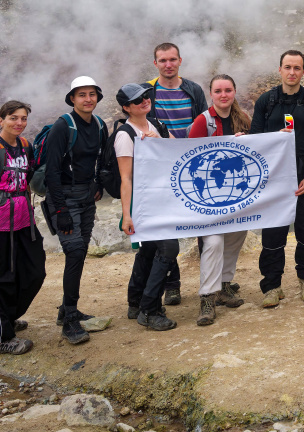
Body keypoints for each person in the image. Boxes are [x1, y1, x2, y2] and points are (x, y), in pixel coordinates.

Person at [250, 50, 304, 307]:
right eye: (288, 67)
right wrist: (276, 137)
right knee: (273, 230)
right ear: (280, 69)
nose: (292, 72)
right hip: (273, 177)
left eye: (297, 68)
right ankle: (272, 285)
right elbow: (255, 140)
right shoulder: (266, 101)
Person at [45, 76, 108, 345]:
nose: (87, 99)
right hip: (65, 199)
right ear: (72, 98)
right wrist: (60, 210)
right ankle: (70, 319)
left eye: (92, 94)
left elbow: (102, 159)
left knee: (79, 253)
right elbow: (51, 171)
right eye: (81, 95)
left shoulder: (99, 125)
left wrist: (97, 183)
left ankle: (67, 310)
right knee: (75, 252)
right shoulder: (63, 126)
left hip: (86, 197)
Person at [147, 42, 208, 307]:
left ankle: (211, 280)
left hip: (194, 165)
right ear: (155, 64)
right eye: (163, 60)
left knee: (206, 225)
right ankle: (172, 285)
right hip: (162, 167)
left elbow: (206, 122)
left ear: (180, 60)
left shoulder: (193, 89)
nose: (168, 64)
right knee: (169, 227)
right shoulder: (148, 92)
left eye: (172, 59)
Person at [188, 75, 252, 325]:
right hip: (210, 196)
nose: (223, 95)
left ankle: (225, 285)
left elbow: (256, 150)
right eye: (218, 91)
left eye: (228, 90)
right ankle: (207, 296)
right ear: (211, 94)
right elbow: (190, 156)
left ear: (234, 92)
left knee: (236, 237)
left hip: (235, 194)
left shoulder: (243, 119)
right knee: (213, 243)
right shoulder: (202, 121)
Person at [114, 83, 177, 331]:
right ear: (126, 107)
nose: (144, 101)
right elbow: (126, 178)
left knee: (150, 249)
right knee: (168, 247)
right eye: (137, 100)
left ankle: (136, 301)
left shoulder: (157, 126)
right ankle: (149, 310)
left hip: (159, 200)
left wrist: (158, 141)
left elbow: (177, 152)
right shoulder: (124, 135)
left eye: (145, 97)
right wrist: (126, 215)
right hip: (143, 204)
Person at [0, 101, 46, 354]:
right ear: (1, 120)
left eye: (23, 118)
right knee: (4, 277)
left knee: (34, 270)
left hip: (23, 219)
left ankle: (8, 315)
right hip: (0, 224)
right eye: (13, 118)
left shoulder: (25, 146)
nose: (19, 123)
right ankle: (4, 336)